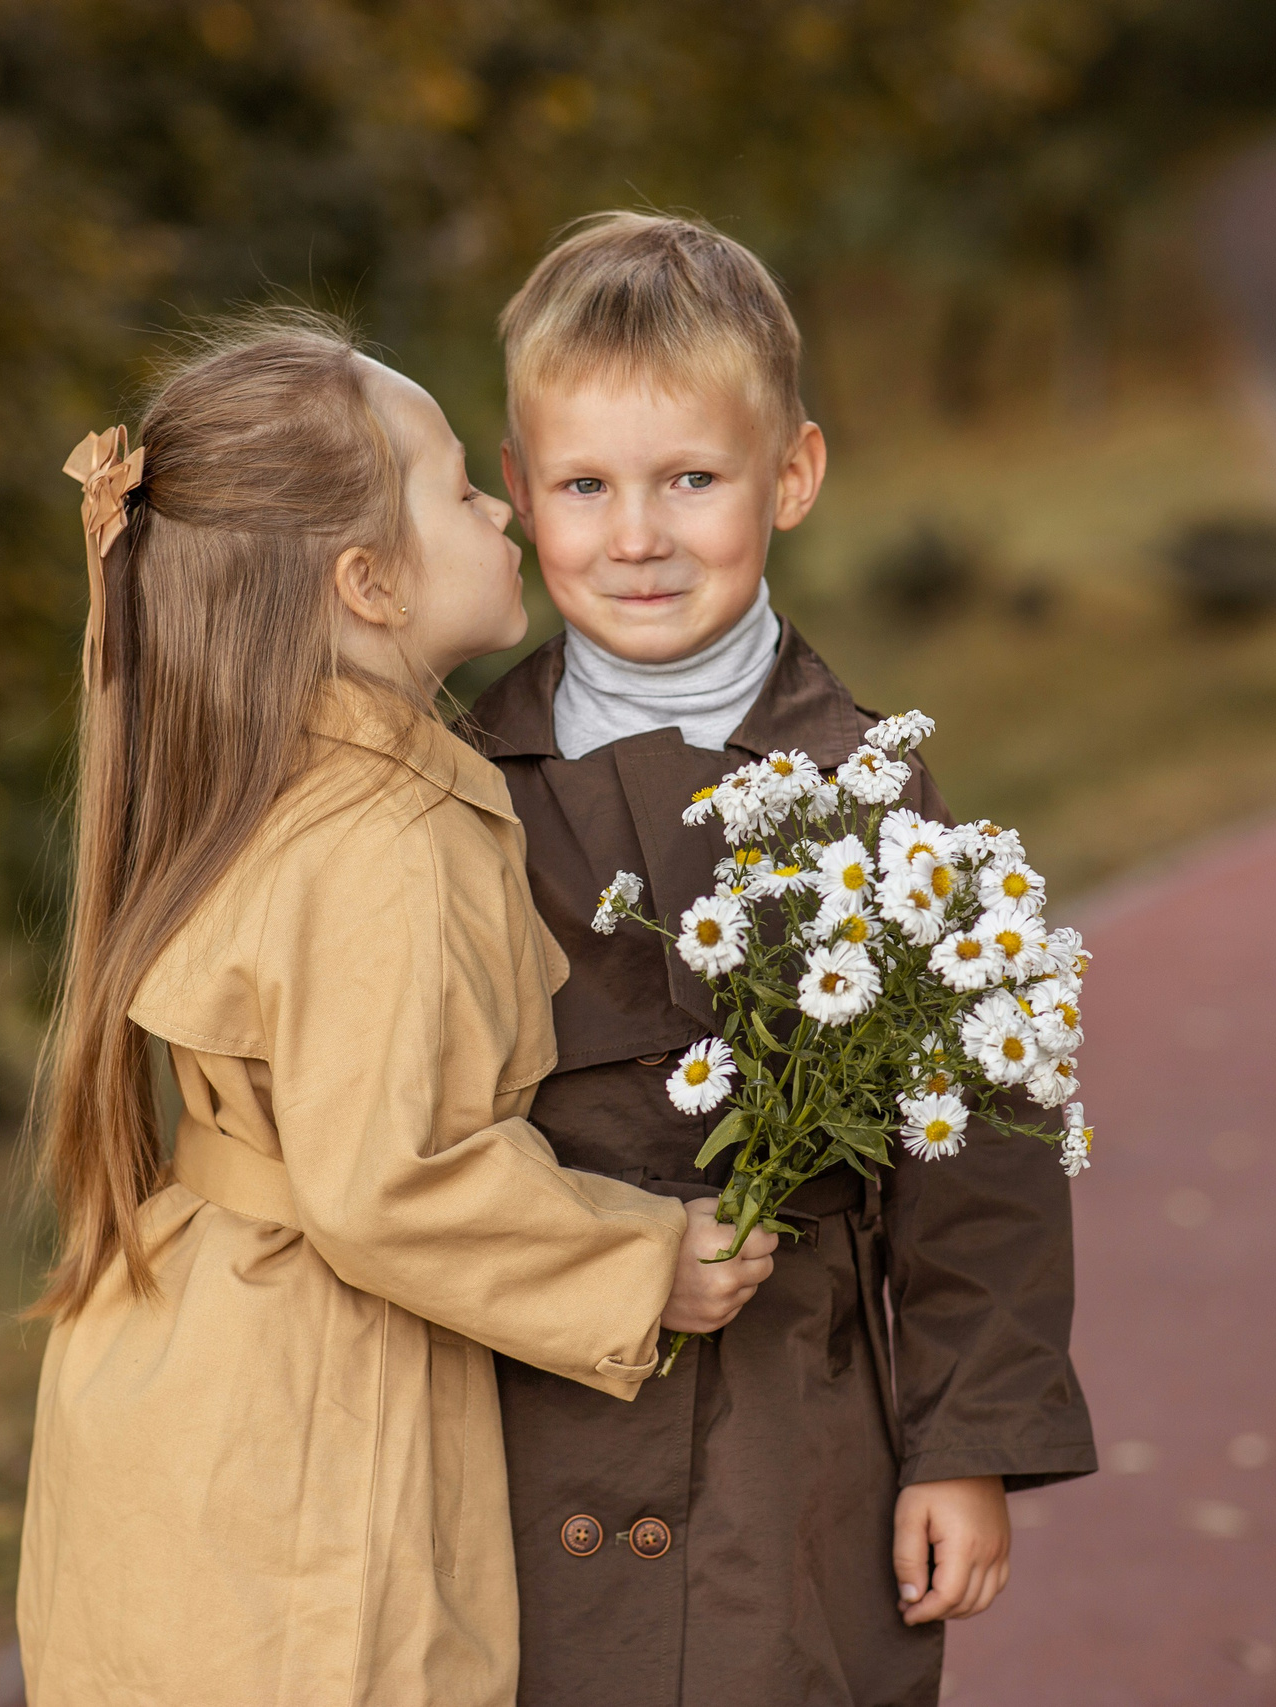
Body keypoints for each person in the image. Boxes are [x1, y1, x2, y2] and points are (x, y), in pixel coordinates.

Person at [14, 312, 780, 1707]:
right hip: (309, 1407)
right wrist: (639, 1257)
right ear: (368, 581)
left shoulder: (252, 773)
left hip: (180, 1363)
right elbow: (389, 1178)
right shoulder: (385, 837)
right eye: (457, 483)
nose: (500, 503)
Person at [463, 214, 1098, 1707]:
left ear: (791, 476)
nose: (638, 535)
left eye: (691, 480)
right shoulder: (459, 780)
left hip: (788, 1428)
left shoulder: (869, 790)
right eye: (585, 486)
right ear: (518, 493)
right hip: (522, 1416)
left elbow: (982, 1159)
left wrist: (966, 1447)